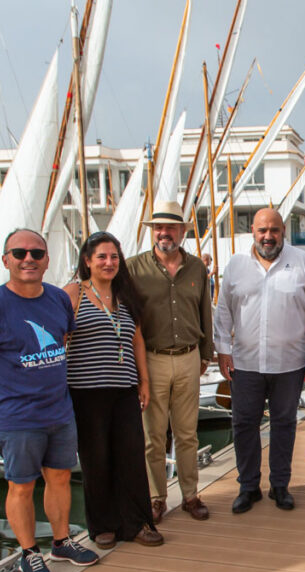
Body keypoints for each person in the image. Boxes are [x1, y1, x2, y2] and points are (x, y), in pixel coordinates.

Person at [0, 228, 99, 572]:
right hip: (17, 416)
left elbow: (62, 340)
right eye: (19, 253)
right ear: (6, 259)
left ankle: (61, 541)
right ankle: (28, 553)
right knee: (21, 485)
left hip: (58, 410)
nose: (28, 260)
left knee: (60, 478)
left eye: (36, 254)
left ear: (47, 261)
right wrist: (5, 385)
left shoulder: (57, 299)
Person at [215, 208, 305, 513]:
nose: (268, 236)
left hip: (289, 364)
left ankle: (280, 485)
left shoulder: (301, 262)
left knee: (284, 425)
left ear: (283, 232)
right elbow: (223, 311)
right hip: (246, 363)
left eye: (274, 230)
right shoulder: (237, 266)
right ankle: (248, 486)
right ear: (253, 231)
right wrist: (223, 348)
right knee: (243, 425)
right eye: (262, 230)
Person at [63, 232, 163, 549]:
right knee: (96, 459)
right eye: (102, 257)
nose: (109, 262)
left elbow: (136, 340)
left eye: (114, 256)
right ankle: (103, 526)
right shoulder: (73, 293)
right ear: (87, 261)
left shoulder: (123, 294)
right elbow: (58, 339)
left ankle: (136, 523)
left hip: (124, 389)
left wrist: (143, 381)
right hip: (86, 391)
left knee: (131, 457)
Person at [128, 201, 213, 523]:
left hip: (190, 357)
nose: (165, 233)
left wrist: (206, 353)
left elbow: (205, 310)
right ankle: (156, 498)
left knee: (187, 433)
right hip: (152, 360)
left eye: (171, 228)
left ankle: (190, 495)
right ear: (153, 231)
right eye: (159, 228)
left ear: (182, 231)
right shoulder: (134, 268)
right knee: (153, 436)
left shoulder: (196, 268)